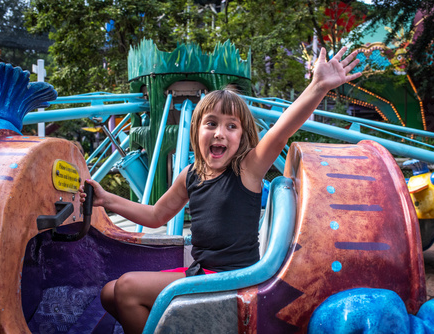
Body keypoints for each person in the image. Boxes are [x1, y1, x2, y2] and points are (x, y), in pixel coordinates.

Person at [79, 46, 361, 333]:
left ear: (242, 136)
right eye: (211, 123)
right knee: (109, 292)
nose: (220, 133)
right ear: (196, 130)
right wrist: (107, 199)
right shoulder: (190, 176)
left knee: (127, 287)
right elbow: (155, 216)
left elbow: (282, 130)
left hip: (233, 279)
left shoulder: (246, 170)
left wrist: (318, 86)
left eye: (231, 126)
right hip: (201, 273)